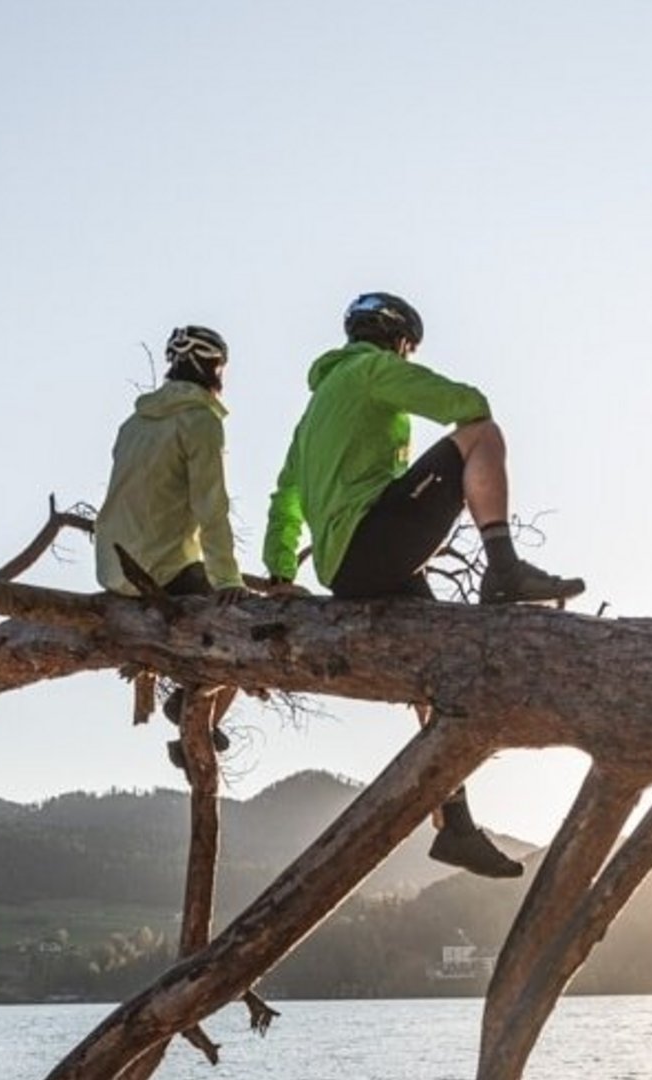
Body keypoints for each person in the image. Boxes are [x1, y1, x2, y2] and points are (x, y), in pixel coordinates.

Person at [262, 292, 583, 877]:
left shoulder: (311, 415)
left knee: (438, 678)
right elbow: (468, 404)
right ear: (399, 341)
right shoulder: (372, 370)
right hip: (371, 543)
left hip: (344, 570)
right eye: (408, 350)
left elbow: (284, 498)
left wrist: (282, 572)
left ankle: (455, 823)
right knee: (483, 435)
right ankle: (503, 567)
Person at [94, 325, 246, 769]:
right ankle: (192, 715)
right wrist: (228, 580)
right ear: (213, 368)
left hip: (111, 568)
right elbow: (210, 507)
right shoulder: (200, 421)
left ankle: (191, 712)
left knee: (202, 629)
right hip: (161, 568)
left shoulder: (133, 424)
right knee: (241, 637)